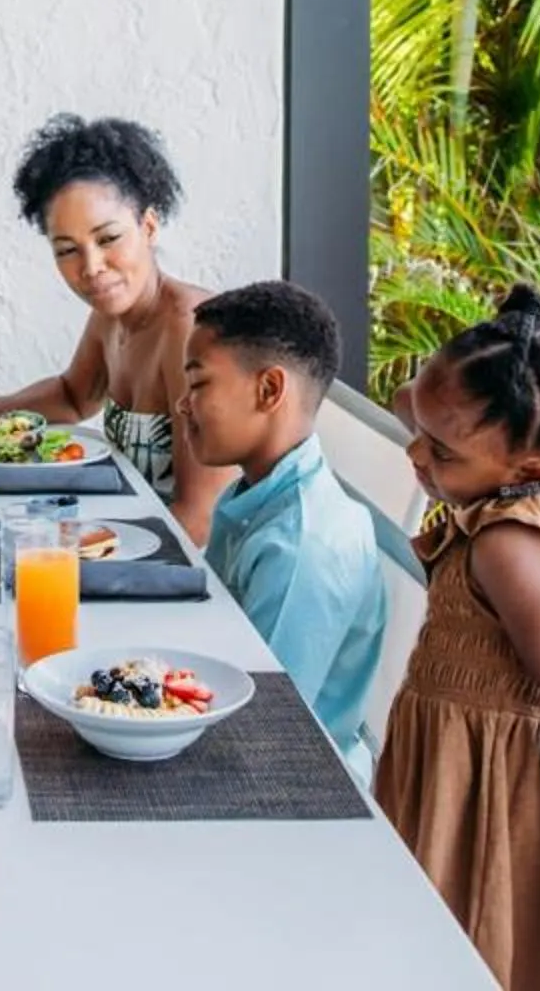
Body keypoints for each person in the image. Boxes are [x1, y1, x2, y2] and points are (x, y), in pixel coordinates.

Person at [376, 285, 540, 991]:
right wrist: (497, 344)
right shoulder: (539, 489)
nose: (416, 456)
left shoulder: (508, 549)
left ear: (530, 473)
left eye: (443, 451)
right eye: (422, 433)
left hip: (486, 808)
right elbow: (415, 400)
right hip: (450, 775)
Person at [0, 115, 234, 543]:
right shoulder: (111, 316)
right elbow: (74, 396)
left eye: (108, 238)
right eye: (67, 250)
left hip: (189, 571)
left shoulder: (191, 330)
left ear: (148, 226)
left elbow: (200, 517)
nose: (92, 268)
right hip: (135, 543)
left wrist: (78, 554)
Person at [177, 280, 389, 779]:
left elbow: (258, 728)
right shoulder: (256, 491)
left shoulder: (299, 547)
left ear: (269, 389)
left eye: (199, 383)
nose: (184, 404)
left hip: (292, 785)